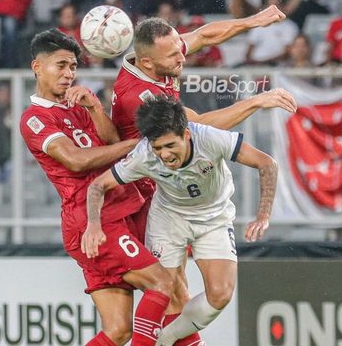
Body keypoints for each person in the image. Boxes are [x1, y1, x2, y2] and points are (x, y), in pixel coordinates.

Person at [110, 9, 297, 346]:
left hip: (172, 178)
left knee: (185, 291)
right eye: (173, 55)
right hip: (147, 186)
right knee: (172, 287)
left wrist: (251, 22)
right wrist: (257, 101)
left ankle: (163, 340)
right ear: (148, 64)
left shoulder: (155, 56)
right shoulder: (140, 96)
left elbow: (204, 36)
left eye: (179, 48)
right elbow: (199, 127)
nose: (183, 55)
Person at [19, 29, 174, 346]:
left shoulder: (76, 106)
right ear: (37, 67)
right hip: (94, 221)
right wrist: (141, 142)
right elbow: (76, 160)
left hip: (121, 208)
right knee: (162, 284)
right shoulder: (34, 118)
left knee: (118, 331)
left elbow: (113, 142)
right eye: (60, 65)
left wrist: (94, 107)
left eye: (73, 66)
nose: (68, 74)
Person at [84, 95, 278, 346]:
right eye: (158, 148)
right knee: (165, 290)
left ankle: (165, 339)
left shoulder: (210, 138)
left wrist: (263, 215)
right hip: (169, 219)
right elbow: (98, 186)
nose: (164, 155)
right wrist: (93, 223)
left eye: (170, 146)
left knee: (220, 295)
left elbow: (267, 164)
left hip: (214, 217)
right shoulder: (144, 154)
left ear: (186, 134)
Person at [244, 0, 299, 65]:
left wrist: (266, 62)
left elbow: (287, 53)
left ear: (283, 7)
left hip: (277, 66)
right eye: (269, 6)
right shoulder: (257, 25)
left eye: (276, 6)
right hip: (256, 65)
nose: (272, 10)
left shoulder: (290, 27)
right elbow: (249, 49)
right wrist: (250, 61)